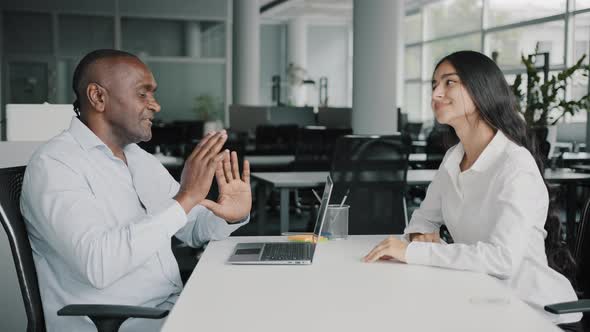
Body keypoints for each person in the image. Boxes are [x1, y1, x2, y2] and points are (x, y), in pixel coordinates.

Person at [20, 49, 251, 332]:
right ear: (98, 97)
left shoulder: (139, 159)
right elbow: (99, 264)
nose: (155, 106)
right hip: (126, 322)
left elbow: (190, 228)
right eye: (143, 94)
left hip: (170, 309)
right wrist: (185, 198)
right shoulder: (54, 165)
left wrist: (228, 215)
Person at [363, 50, 582, 330]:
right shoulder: (454, 157)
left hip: (533, 310)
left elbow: (501, 259)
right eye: (434, 85)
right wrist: (419, 237)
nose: (436, 94)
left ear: (481, 91)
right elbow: (425, 218)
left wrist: (413, 252)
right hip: (479, 295)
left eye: (449, 83)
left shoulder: (514, 165)